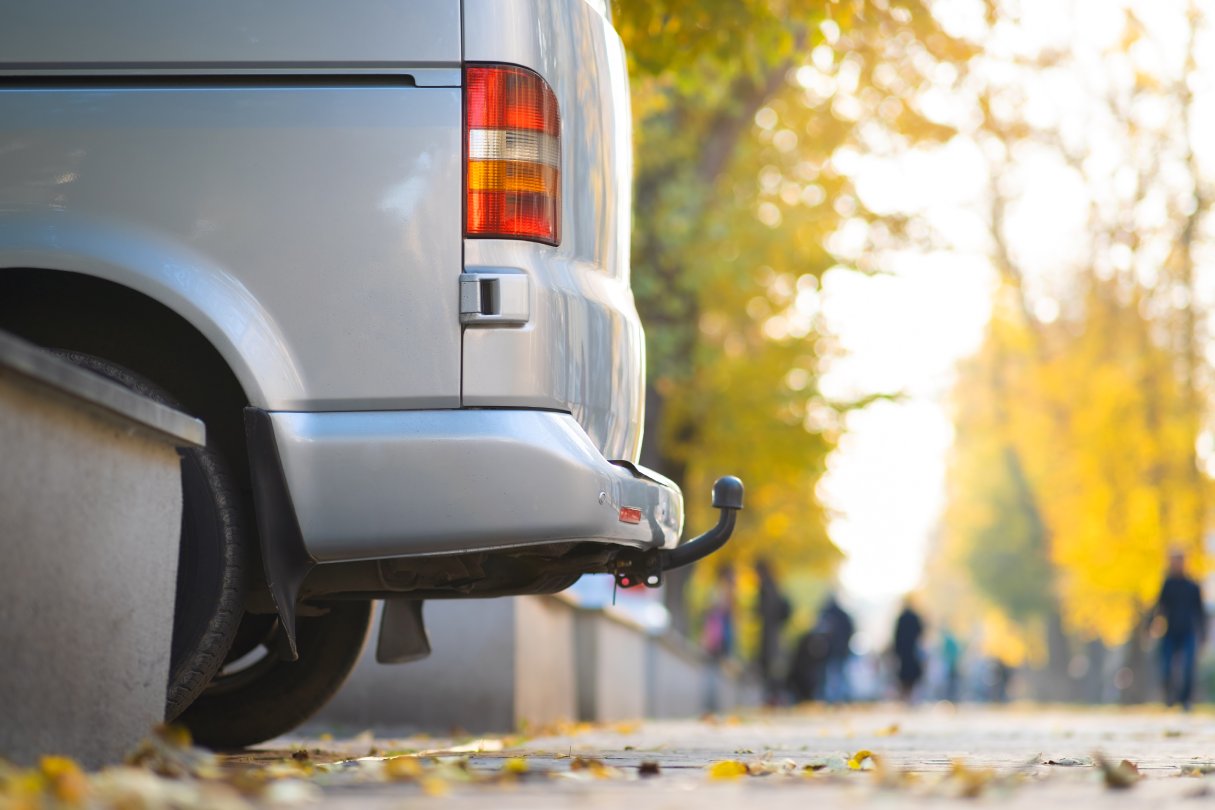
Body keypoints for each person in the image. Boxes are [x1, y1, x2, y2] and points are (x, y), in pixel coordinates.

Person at [1153, 549, 1207, 710]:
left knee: (1188, 667)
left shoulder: (1192, 586)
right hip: (1170, 632)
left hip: (1188, 631)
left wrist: (1202, 633)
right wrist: (1151, 625)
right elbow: (1159, 606)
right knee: (1166, 667)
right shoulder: (1167, 585)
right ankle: (1169, 697)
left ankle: (1186, 701)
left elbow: (1200, 611)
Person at [754, 558, 792, 705]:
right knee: (773, 665)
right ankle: (774, 695)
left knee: (770, 665)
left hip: (770, 632)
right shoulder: (775, 585)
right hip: (774, 631)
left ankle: (773, 696)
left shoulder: (766, 587)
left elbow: (767, 610)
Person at [701, 564, 736, 711]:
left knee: (718, 669)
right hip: (719, 638)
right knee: (717, 669)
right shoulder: (721, 592)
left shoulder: (720, 592)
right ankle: (716, 704)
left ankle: (718, 703)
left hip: (719, 638)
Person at [816, 595, 854, 703]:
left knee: (828, 675)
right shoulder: (843, 615)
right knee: (839, 675)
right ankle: (839, 698)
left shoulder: (825, 614)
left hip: (827, 651)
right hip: (841, 650)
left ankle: (830, 699)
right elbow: (850, 629)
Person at [892, 600, 925, 702]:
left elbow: (896, 636)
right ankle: (911, 697)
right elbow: (921, 632)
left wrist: (896, 651)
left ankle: (904, 696)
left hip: (904, 652)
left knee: (904, 675)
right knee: (912, 675)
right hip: (913, 651)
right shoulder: (916, 617)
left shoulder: (901, 618)